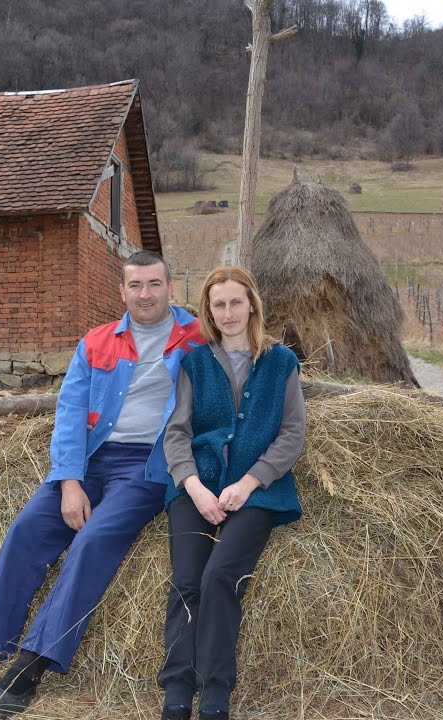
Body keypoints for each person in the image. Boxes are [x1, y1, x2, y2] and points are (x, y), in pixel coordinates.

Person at [0, 250, 205, 718]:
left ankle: (30, 665)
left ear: (171, 288)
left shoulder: (197, 339)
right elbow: (69, 415)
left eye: (154, 284)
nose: (145, 294)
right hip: (91, 458)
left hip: (150, 465)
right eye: (136, 285)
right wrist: (70, 481)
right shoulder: (96, 342)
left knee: (93, 541)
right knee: (27, 530)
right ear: (122, 290)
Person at [157, 266, 306, 720]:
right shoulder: (195, 363)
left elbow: (292, 433)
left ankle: (216, 692)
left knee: (219, 577)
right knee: (186, 581)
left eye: (235, 302)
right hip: (197, 484)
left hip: (258, 490)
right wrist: (195, 487)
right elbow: (177, 434)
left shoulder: (281, 362)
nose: (227, 312)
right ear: (209, 311)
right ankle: (178, 687)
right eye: (218, 305)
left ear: (252, 305)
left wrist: (249, 482)